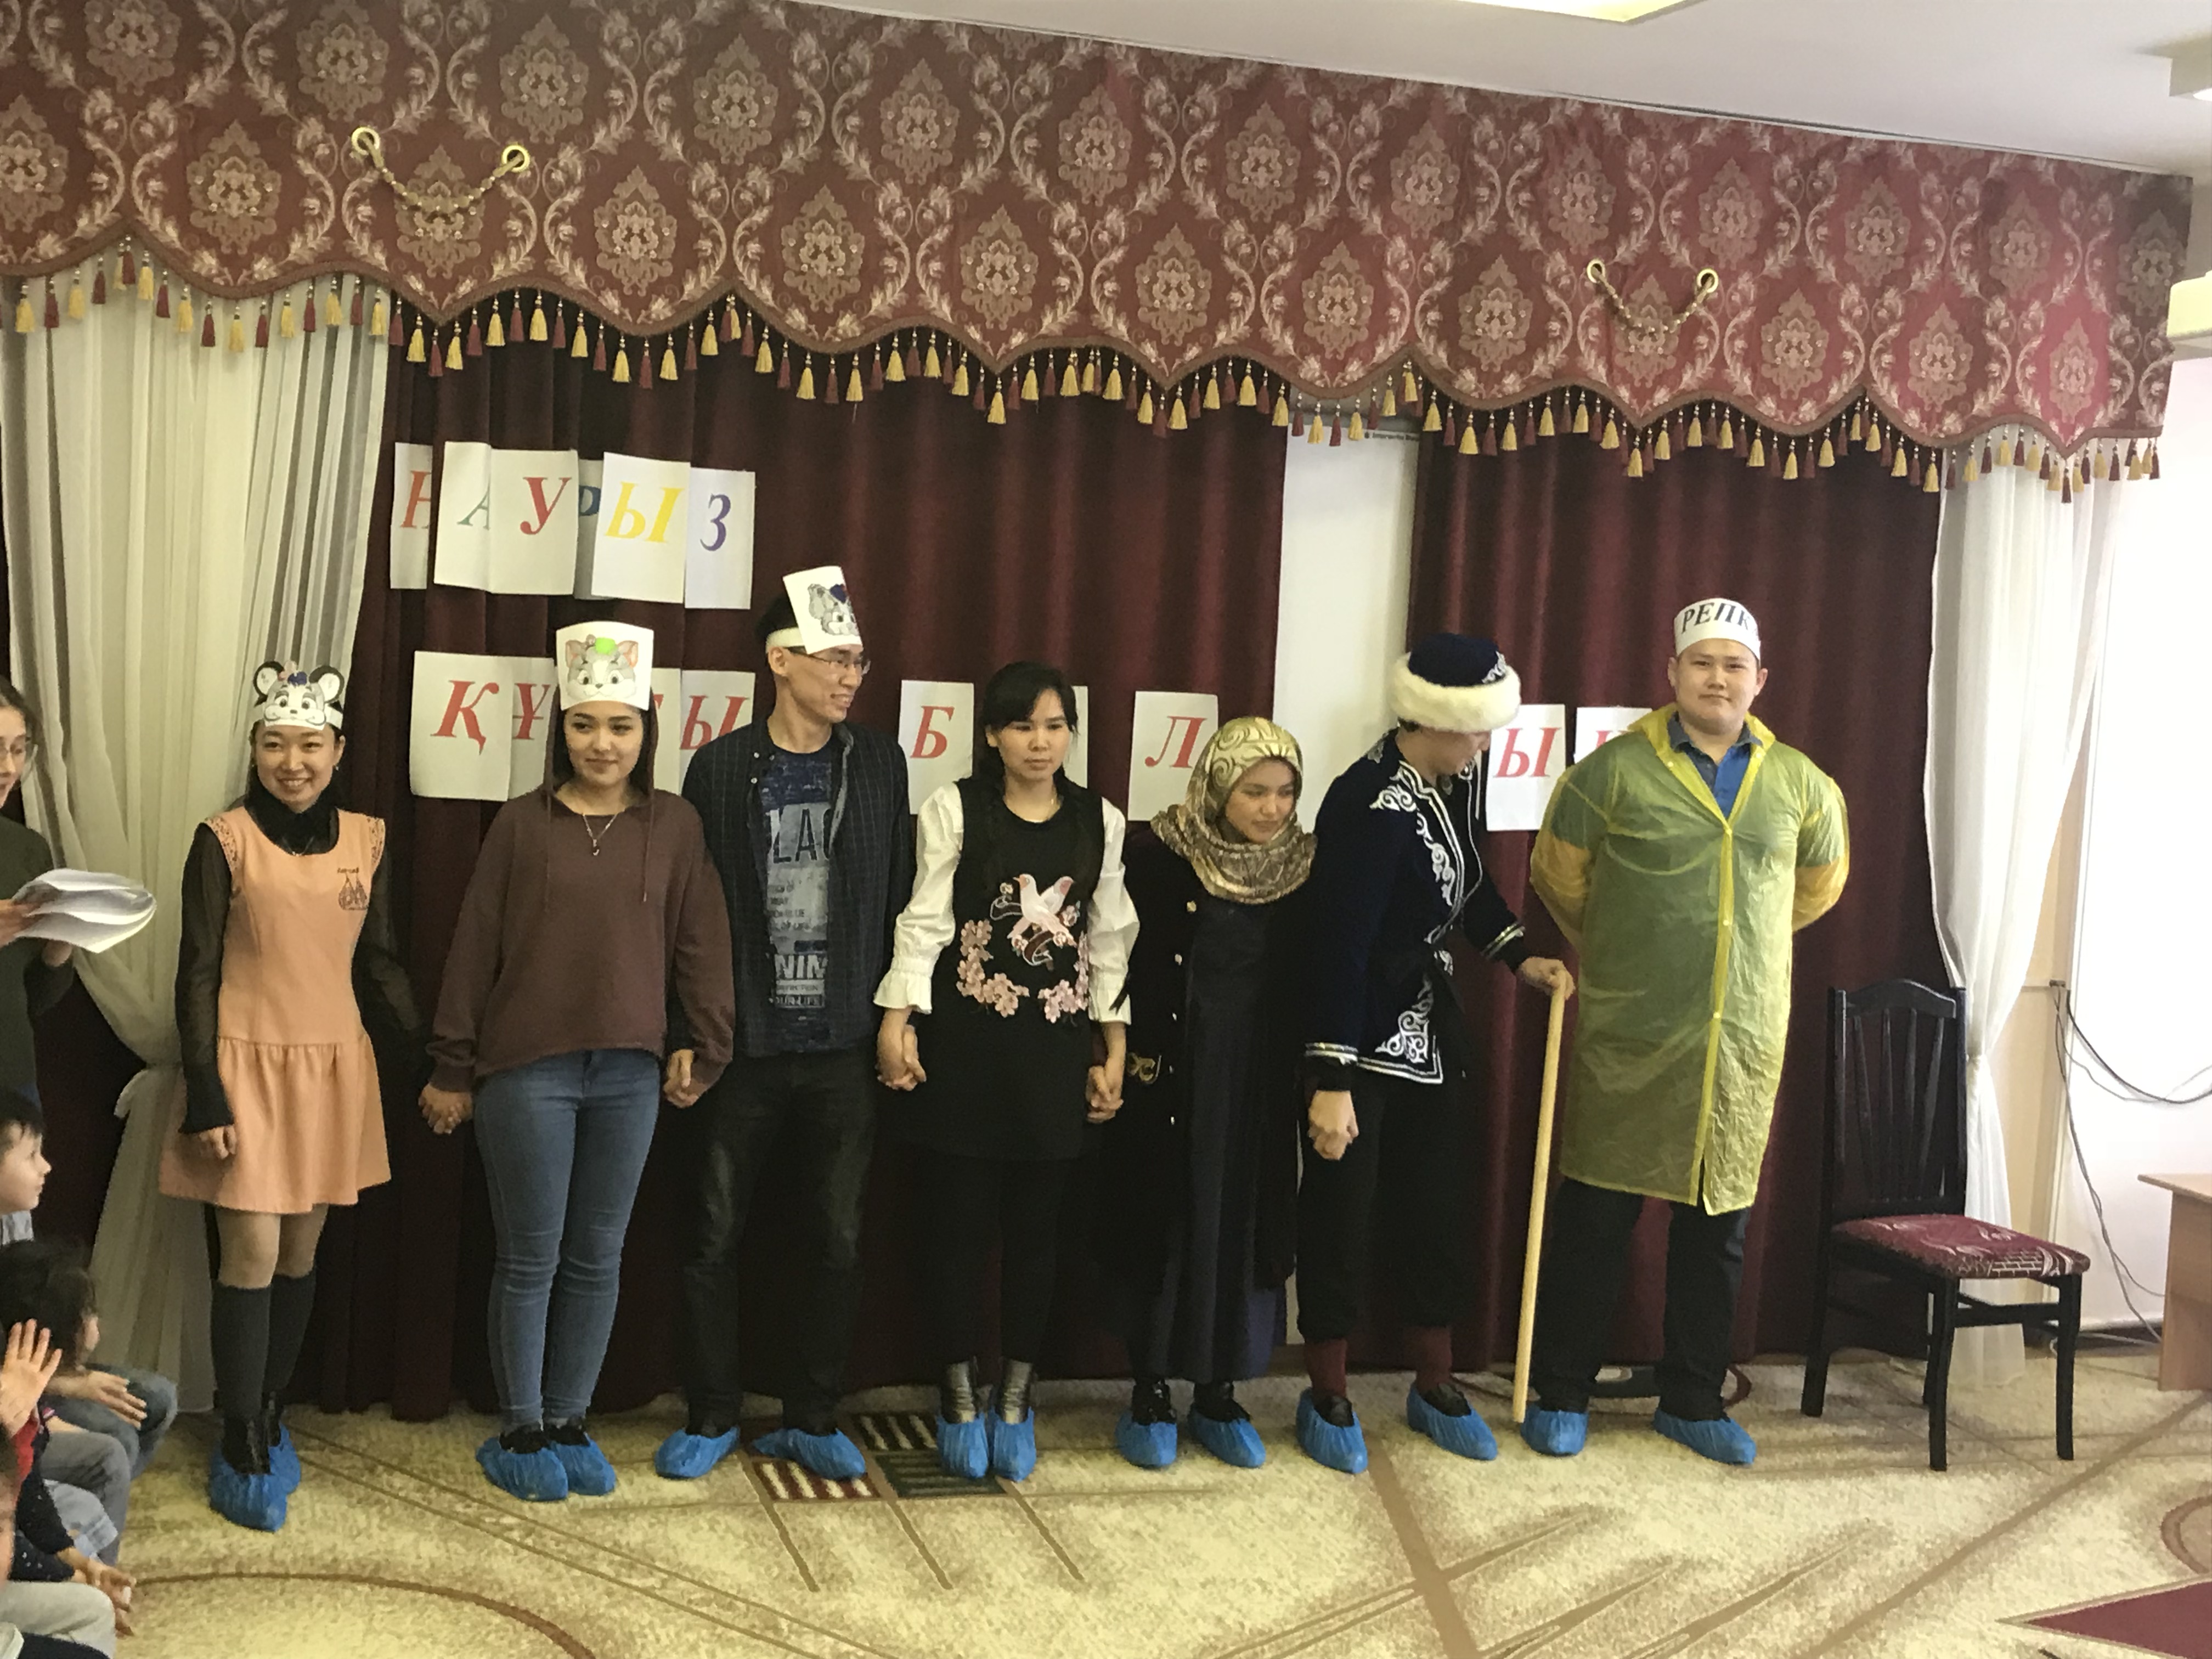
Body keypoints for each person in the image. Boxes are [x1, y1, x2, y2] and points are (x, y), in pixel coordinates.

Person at [1523, 598, 1848, 1466]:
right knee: (1597, 1218)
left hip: (1740, 1037)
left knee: (1718, 1230)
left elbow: (1817, 885)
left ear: (1759, 681)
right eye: (1702, 662)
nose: (1718, 679)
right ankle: (1562, 1390)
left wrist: (1735, 944)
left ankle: (1694, 1398)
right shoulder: (1609, 774)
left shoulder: (1803, 786)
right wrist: (1636, 947)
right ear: (1672, 674)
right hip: (1633, 1030)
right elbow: (1559, 875)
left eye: (1734, 665)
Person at [421, 621, 734, 1504]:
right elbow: (474, 947)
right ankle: (521, 1427)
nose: (603, 744)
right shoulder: (522, 825)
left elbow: (701, 943)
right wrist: (452, 1064)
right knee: (531, 1256)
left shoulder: (676, 825)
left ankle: (568, 1419)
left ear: (646, 732)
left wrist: (705, 1044)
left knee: (599, 1255)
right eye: (586, 725)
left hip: (630, 1074)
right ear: (560, 729)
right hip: (529, 1071)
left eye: (621, 726)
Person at [656, 569, 911, 1485]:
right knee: (713, 1234)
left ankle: (811, 1413)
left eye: (857, 660)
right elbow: (691, 914)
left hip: (843, 1045)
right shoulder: (719, 767)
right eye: (834, 657)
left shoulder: (879, 762)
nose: (850, 675)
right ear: (779, 661)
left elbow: (900, 893)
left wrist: (897, 1015)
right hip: (743, 1044)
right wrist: (688, 1027)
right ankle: (713, 1411)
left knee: (836, 1239)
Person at [1296, 633, 1573, 1475]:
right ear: (1436, 720)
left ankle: (1435, 1380)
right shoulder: (1367, 801)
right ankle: (1328, 1388)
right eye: (1477, 729)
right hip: (1356, 1035)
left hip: (1430, 1032)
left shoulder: (1453, 784)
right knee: (1342, 1214)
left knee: (1435, 1209)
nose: (1486, 744)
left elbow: (1470, 886)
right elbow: (1337, 944)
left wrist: (1519, 955)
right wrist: (1331, 1079)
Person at [159, 664, 421, 1532]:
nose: (293, 761)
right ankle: (238, 1433)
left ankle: (270, 1410)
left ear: (338, 751)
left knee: (301, 1255)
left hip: (333, 1066)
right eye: (276, 744)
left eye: (310, 744)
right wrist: (205, 1092)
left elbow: (379, 963)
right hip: (244, 1066)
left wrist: (430, 1058)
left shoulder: (368, 840)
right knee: (252, 1252)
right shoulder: (223, 839)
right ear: (255, 749)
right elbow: (198, 971)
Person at [876, 662, 1138, 1483]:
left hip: (1053, 1062)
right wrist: (897, 1019)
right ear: (992, 734)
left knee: (1037, 1240)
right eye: (1023, 725)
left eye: (1056, 726)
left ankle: (1016, 1399)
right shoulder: (955, 809)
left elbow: (1108, 940)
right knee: (954, 1235)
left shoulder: (1101, 820)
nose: (1040, 742)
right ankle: (958, 1395)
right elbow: (924, 923)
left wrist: (1114, 1046)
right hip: (963, 1056)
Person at [1097, 718, 1312, 1471]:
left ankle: (1220, 1393)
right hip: (1176, 1073)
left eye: (1285, 792)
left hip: (1255, 1080)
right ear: (1219, 788)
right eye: (1254, 792)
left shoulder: (1303, 866)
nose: (1272, 809)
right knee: (1169, 1218)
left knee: (1241, 1226)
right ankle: (1150, 1390)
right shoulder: (1159, 855)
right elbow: (1115, 958)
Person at [0, 1094, 176, 1563]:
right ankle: (84, 1563)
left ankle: (84, 1536)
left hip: (36, 1381)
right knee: (113, 1447)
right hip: (23, 1397)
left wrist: (70, 1368)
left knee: (156, 1399)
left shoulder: (14, 1220)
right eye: (31, 1155)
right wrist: (67, 1385)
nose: (46, 1167)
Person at [0, 1260, 134, 1656]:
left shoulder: (20, 1404)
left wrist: (80, 1565)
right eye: (87, 1314)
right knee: (90, 1608)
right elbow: (14, 1534)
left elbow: (29, 1500)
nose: (95, 1326)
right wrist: (72, 1575)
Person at [0, 681, 76, 1105]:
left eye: (19, 749)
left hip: (14, 1080)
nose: (9, 767)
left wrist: (59, 947)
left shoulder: (27, 849)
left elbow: (35, 999)